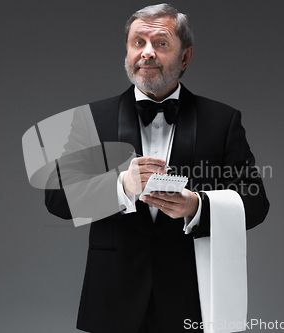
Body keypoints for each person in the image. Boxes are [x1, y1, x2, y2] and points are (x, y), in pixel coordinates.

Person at [45, 4, 269, 333]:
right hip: (113, 299)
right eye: (138, 42)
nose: (147, 53)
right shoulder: (93, 119)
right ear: (127, 51)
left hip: (192, 298)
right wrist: (121, 186)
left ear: (186, 56)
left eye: (161, 44)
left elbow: (256, 202)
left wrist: (198, 207)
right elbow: (57, 198)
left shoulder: (221, 121)